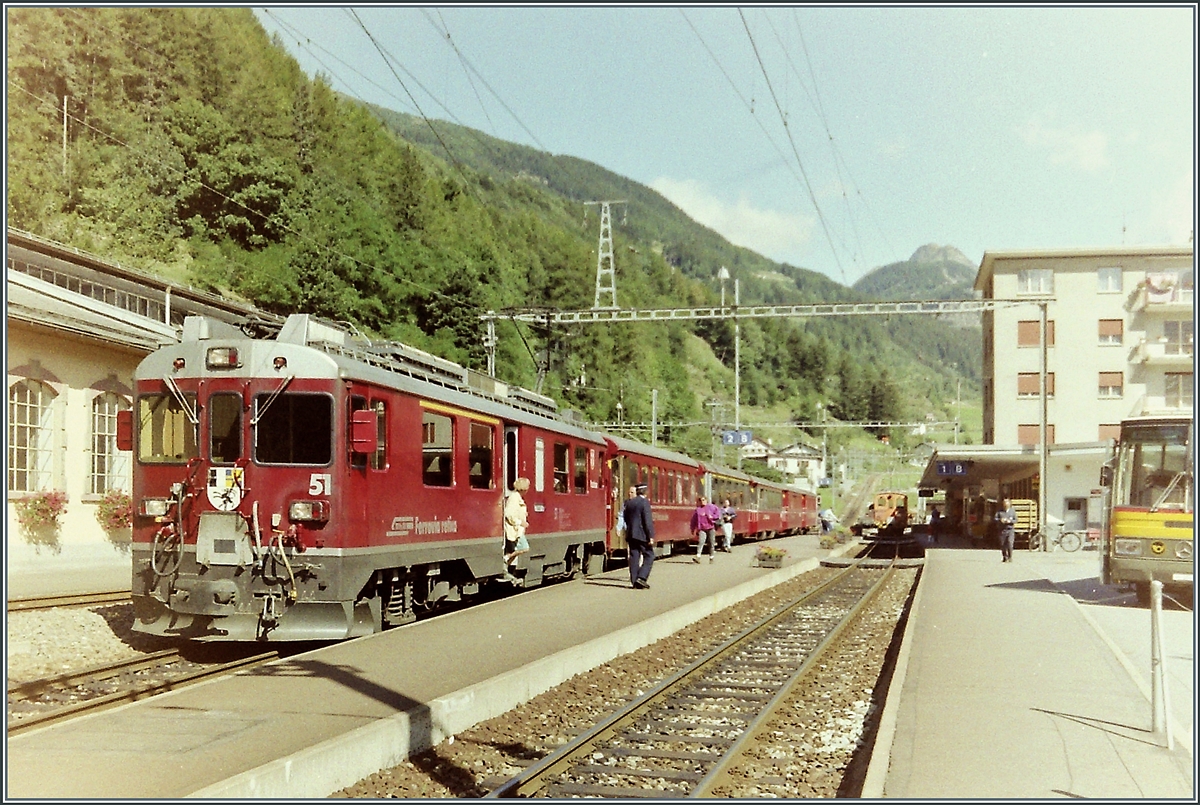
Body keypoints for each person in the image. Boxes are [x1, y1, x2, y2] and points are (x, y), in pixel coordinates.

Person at [622, 483, 655, 589]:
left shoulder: (629, 503)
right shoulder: (644, 502)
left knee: (634, 556)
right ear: (645, 492)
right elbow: (647, 520)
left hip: (631, 533)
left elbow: (626, 518)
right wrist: (650, 535)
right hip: (642, 534)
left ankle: (634, 580)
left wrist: (630, 529)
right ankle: (642, 577)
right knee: (649, 555)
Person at [502, 477, 530, 583]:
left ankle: (506, 570)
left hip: (517, 530)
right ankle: (506, 557)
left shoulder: (517, 497)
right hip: (515, 529)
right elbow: (509, 514)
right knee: (524, 548)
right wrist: (520, 522)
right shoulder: (514, 498)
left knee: (517, 549)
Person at [690, 495, 721, 563]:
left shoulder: (712, 507)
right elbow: (693, 520)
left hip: (710, 528)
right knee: (701, 542)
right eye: (700, 500)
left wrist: (712, 517)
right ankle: (698, 556)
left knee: (711, 543)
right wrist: (692, 529)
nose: (702, 501)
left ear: (706, 500)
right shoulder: (698, 510)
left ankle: (711, 557)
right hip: (702, 528)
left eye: (703, 500)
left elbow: (718, 515)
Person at [994, 497, 1017, 563]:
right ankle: (1005, 557)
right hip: (1002, 530)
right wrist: (1000, 520)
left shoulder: (1012, 511)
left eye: (1007, 505)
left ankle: (1010, 557)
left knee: (1010, 543)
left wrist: (1010, 521)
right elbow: (995, 518)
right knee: (1003, 544)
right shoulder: (999, 511)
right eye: (1004, 505)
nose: (1005, 506)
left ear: (1009, 505)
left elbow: (1016, 520)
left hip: (1010, 529)